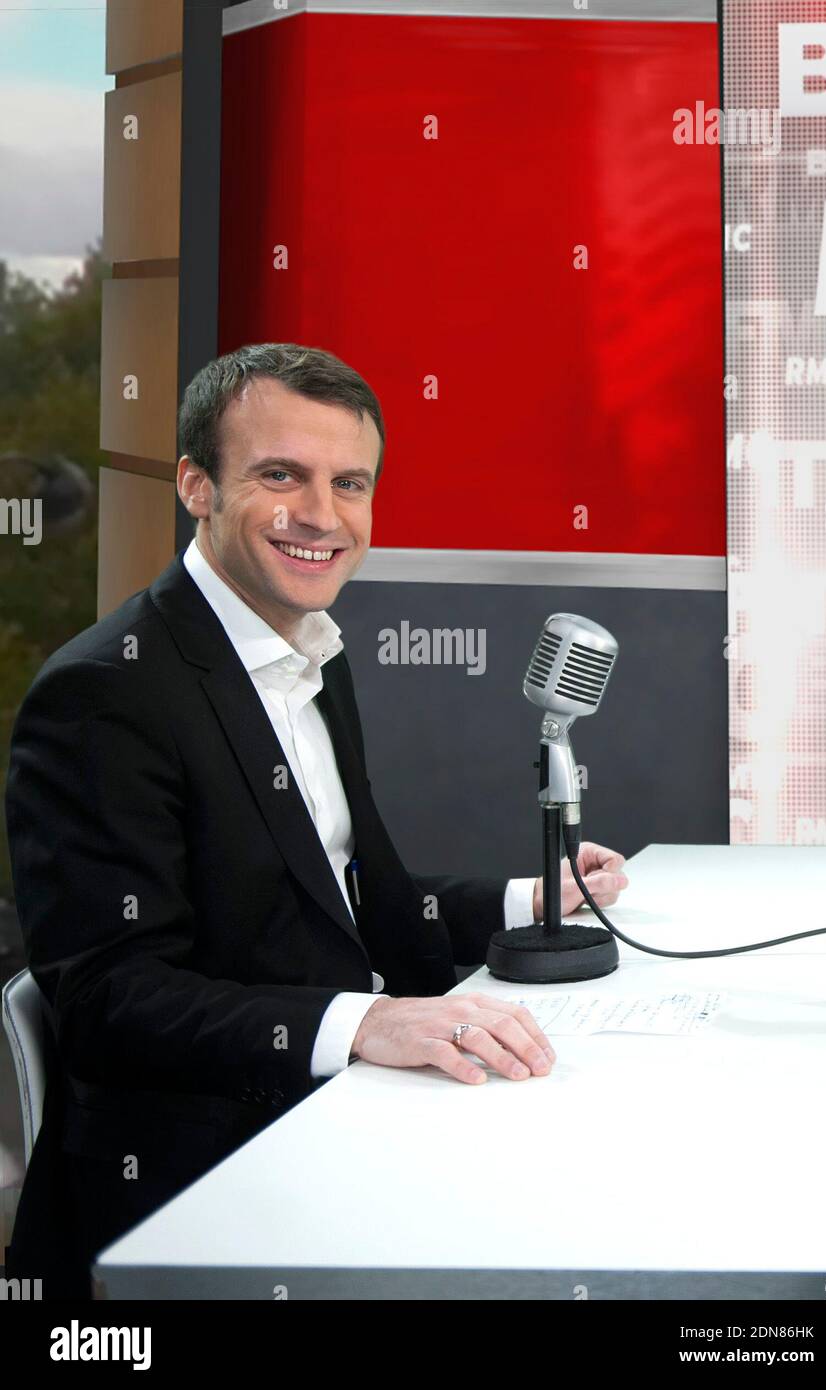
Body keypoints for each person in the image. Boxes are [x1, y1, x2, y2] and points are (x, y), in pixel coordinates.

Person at [5, 344, 628, 1298]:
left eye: (350, 483)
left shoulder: (313, 652)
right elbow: (109, 1000)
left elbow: (354, 895)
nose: (323, 517)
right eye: (280, 475)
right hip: (195, 1187)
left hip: (334, 1123)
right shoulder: (104, 694)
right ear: (195, 485)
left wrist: (525, 899)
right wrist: (367, 1023)